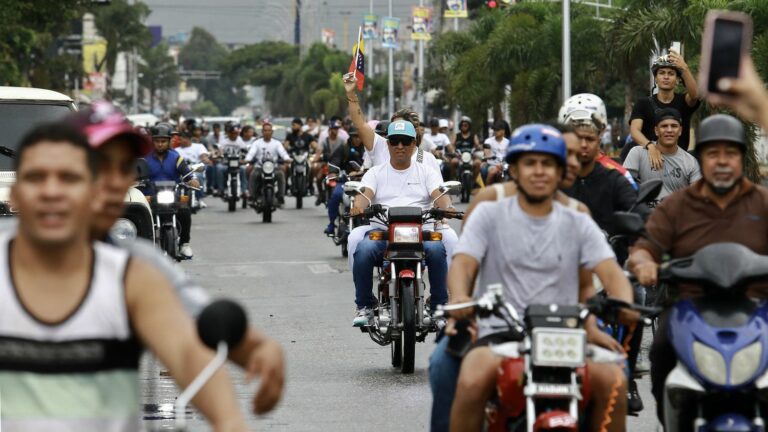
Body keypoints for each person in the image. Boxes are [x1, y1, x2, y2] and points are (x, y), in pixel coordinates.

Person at [0, 121, 247, 431]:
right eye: (39, 179)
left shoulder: (133, 274)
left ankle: (183, 241)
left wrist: (228, 420)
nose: (52, 193)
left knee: (183, 212)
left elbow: (186, 350)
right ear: (16, 195)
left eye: (69, 179)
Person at [73, 102, 285, 417]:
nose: (112, 181)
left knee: (184, 210)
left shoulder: (140, 265)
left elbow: (190, 333)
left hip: (170, 203)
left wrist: (258, 351)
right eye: (97, 164)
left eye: (122, 168)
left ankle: (183, 242)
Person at [446, 124, 633, 432]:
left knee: (613, 380)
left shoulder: (577, 219)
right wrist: (461, 298)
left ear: (560, 172)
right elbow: (463, 264)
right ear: (515, 170)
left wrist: (623, 301)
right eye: (530, 163)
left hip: (566, 336)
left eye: (548, 164)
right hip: (503, 332)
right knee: (471, 379)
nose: (539, 171)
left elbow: (611, 273)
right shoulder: (489, 212)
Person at [628, 114, 768, 422]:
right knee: (661, 351)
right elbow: (645, 247)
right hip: (689, 309)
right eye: (712, 153)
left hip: (759, 310)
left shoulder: (762, 202)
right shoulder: (677, 206)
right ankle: (672, 422)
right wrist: (644, 264)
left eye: (729, 154)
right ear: (700, 158)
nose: (721, 161)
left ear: (741, 158)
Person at [349, 120, 453, 326]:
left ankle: (439, 306)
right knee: (363, 248)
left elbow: (439, 196)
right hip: (384, 233)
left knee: (437, 248)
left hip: (421, 232)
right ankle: (365, 306)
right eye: (394, 141)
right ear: (387, 144)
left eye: (405, 142)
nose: (399, 147)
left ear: (414, 144)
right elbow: (365, 195)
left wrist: (446, 206)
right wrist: (359, 206)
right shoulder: (375, 173)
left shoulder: (427, 172)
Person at [560, 97, 637, 237]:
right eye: (577, 137)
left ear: (599, 137)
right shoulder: (553, 179)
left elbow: (637, 211)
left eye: (589, 138)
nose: (583, 145)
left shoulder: (616, 177)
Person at [626, 49, 700, 167]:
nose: (666, 77)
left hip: (679, 164)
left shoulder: (684, 101)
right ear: (656, 78)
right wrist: (650, 146)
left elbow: (695, 95)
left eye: (671, 74)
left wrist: (684, 68)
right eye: (662, 73)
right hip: (650, 161)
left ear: (677, 80)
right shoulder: (643, 103)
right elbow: (635, 131)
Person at [623, 108, 701, 206]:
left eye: (674, 126)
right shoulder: (638, 153)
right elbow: (624, 188)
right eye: (664, 126)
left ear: (680, 130)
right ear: (656, 130)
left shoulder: (690, 162)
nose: (669, 130)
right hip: (644, 216)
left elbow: (697, 199)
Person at [144, 123, 199, 258]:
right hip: (150, 198)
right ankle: (141, 247)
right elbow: (134, 174)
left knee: (185, 210)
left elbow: (187, 173)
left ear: (169, 141)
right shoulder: (144, 158)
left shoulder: (176, 157)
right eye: (157, 141)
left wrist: (192, 180)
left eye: (163, 141)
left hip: (171, 196)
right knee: (139, 215)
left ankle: (184, 244)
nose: (160, 144)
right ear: (152, 142)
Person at [324, 127, 365, 235]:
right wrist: (333, 173)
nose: (357, 139)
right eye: (354, 136)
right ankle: (331, 224)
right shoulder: (344, 148)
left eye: (359, 136)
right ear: (350, 137)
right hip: (345, 180)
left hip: (364, 181)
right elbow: (334, 161)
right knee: (336, 195)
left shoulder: (368, 149)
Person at [246, 122, 291, 207]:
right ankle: (251, 196)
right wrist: (246, 160)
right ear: (262, 132)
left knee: (281, 174)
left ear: (272, 132)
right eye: (265, 130)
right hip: (259, 167)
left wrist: (287, 159)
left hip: (273, 168)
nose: (267, 132)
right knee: (253, 175)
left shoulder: (277, 143)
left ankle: (281, 197)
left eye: (269, 130)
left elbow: (283, 153)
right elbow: (251, 153)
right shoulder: (257, 143)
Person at [176, 131, 211, 208]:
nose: (179, 141)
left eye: (181, 139)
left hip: (195, 168)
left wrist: (205, 159)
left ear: (187, 139)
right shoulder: (176, 150)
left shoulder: (198, 146)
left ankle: (200, 199)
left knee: (198, 176)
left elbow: (203, 156)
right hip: (183, 170)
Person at [217, 123, 249, 200]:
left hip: (238, 163)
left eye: (236, 133)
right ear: (229, 133)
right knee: (219, 168)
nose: (234, 135)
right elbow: (220, 150)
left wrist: (243, 159)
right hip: (226, 163)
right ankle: (221, 189)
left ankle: (244, 190)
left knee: (244, 169)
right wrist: (220, 155)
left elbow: (244, 151)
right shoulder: (224, 142)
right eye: (232, 133)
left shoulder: (240, 141)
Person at [448, 116, 481, 181]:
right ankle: (454, 178)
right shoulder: (456, 135)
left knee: (478, 162)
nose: (464, 126)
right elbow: (452, 145)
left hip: (470, 158)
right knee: (453, 161)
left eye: (466, 125)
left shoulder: (473, 135)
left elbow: (478, 145)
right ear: (460, 126)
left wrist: (478, 147)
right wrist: (453, 150)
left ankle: (474, 180)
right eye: (462, 125)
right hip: (459, 157)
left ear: (469, 126)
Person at [481, 120, 510, 185]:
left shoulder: (508, 142)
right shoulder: (488, 141)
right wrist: (488, 157)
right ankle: (487, 191)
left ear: (503, 131)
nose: (495, 131)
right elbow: (487, 154)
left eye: (497, 130)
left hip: (504, 165)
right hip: (492, 164)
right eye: (494, 129)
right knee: (492, 172)